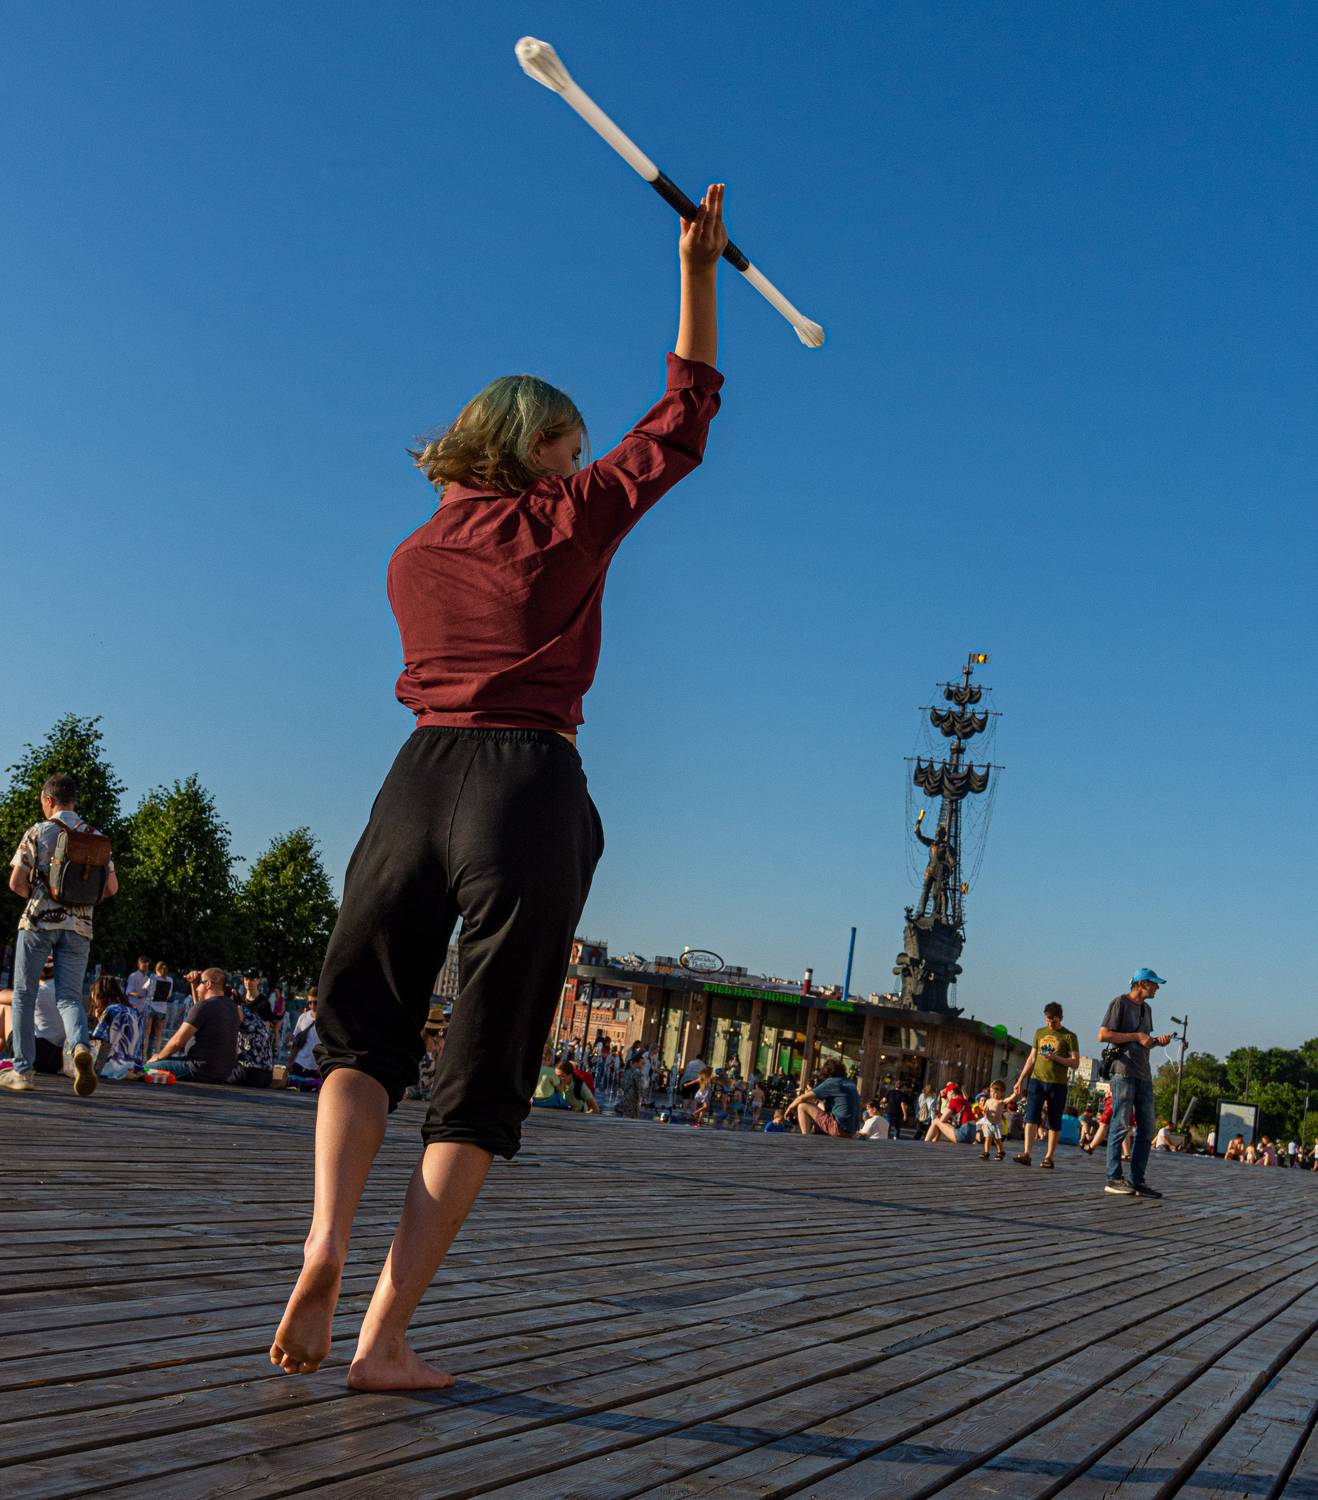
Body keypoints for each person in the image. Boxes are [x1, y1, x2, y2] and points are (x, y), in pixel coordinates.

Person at [270, 186, 728, 1390]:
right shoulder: (565, 519)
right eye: (569, 450)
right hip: (525, 781)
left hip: (415, 778)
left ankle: (322, 1237)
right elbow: (681, 421)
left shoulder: (411, 555)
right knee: (483, 1067)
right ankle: (384, 1336)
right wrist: (697, 274)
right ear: (536, 452)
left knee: (361, 1033)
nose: (580, 464)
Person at [3, 774, 118, 1096]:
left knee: (24, 994)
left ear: (49, 800)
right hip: (80, 927)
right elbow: (111, 888)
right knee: (69, 996)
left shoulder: (39, 831)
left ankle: (23, 1071)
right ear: (73, 801)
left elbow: (16, 882)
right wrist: (80, 905)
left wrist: (40, 900)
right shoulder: (97, 837)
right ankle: (80, 1047)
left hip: (39, 923)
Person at [1098, 968, 1173, 1198]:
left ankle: (1136, 1180)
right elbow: (1103, 1034)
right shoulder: (1120, 1003)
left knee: (1147, 1128)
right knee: (1120, 1124)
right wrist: (1137, 1036)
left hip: (1143, 1074)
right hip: (1123, 1072)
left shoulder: (1147, 1009)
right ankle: (1113, 1178)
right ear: (1141, 984)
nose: (1157, 987)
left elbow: (1144, 1041)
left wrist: (1156, 1041)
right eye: (1154, 983)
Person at [1011, 1002, 1081, 1170]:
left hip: (1058, 1083)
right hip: (1037, 1080)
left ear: (1061, 1019)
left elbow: (1075, 1062)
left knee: (1054, 1120)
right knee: (1031, 1116)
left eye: (1054, 1022)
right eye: (1048, 1021)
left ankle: (1049, 1157)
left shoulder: (1069, 1036)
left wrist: (1055, 1058)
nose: (1050, 1024)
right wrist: (1020, 1079)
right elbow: (1032, 1058)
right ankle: (1026, 1153)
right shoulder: (1039, 1032)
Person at [145, 967, 239, 1083]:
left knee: (144, 1069)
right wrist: (193, 984)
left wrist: (158, 1057)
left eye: (200, 983)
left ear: (208, 984)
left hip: (199, 1069)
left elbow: (177, 1042)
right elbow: (200, 1012)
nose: (197, 988)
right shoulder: (232, 1007)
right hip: (223, 1072)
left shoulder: (205, 1006)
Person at [783, 1059, 862, 1138]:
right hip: (851, 1132)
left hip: (838, 1129)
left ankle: (805, 1138)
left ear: (826, 1072)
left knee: (802, 1106)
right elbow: (825, 1107)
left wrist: (789, 1108)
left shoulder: (832, 1082)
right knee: (814, 1106)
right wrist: (815, 1102)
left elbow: (801, 1098)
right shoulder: (850, 1083)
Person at [89, 974, 143, 1080]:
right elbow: (139, 1046)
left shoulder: (110, 1010)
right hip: (130, 1067)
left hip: (108, 1068)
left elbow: (98, 1040)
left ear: (99, 994)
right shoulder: (135, 1012)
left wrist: (99, 1019)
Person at [230, 994, 275, 1087]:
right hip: (267, 1076)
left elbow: (232, 1049)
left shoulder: (237, 1011)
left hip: (249, 1072)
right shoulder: (253, 1014)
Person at [286, 992, 321, 1089]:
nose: (312, 1005)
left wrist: (322, 1065)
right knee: (293, 1086)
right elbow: (296, 1043)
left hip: (316, 1067)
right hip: (300, 1063)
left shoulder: (326, 1019)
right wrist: (289, 1063)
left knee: (311, 1088)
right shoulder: (303, 1017)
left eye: (315, 1002)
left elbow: (328, 1045)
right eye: (309, 1002)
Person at [977, 1081, 1010, 1161]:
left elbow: (1008, 1099)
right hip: (988, 1123)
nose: (993, 1094)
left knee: (997, 1140)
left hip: (997, 1124)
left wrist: (1014, 1094)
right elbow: (985, 1109)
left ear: (1001, 1093)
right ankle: (986, 1152)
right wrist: (984, 1110)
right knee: (987, 1138)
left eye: (996, 1092)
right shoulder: (988, 1101)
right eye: (992, 1092)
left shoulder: (1000, 1102)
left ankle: (1000, 1151)